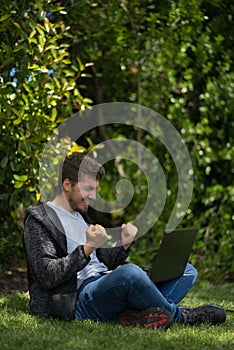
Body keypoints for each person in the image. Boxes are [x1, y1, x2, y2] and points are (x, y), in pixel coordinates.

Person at [23, 152, 226, 329]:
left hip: (104, 284)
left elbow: (103, 262)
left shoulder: (80, 216)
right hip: (78, 299)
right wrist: (86, 248)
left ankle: (135, 314)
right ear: (67, 184)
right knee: (130, 273)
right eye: (88, 189)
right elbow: (47, 275)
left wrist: (125, 243)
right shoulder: (40, 220)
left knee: (187, 270)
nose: (93, 196)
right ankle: (182, 315)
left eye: (95, 189)